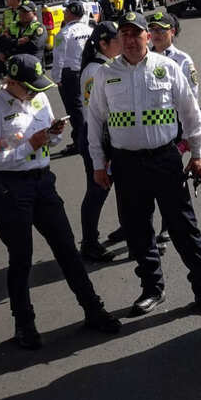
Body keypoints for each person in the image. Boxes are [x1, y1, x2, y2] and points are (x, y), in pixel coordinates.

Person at [86, 11, 201, 318]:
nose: (130, 40)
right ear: (119, 39)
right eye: (124, 35)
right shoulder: (106, 73)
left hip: (165, 159)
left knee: (184, 228)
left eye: (136, 34)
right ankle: (152, 288)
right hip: (126, 165)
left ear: (147, 37)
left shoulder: (167, 68)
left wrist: (198, 154)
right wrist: (99, 164)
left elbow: (191, 115)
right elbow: (95, 122)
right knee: (138, 230)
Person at [0, 53, 122, 349]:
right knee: (21, 259)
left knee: (68, 249)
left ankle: (93, 309)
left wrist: (54, 134)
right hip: (10, 190)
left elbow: (50, 140)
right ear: (11, 82)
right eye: (29, 87)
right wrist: (31, 145)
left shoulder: (40, 99)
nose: (34, 92)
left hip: (43, 182)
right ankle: (24, 323)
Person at [147, 10, 196, 248]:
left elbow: (191, 102)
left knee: (172, 181)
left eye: (161, 30)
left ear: (172, 32)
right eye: (153, 30)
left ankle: (169, 226)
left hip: (173, 130)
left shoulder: (183, 60)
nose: (156, 34)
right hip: (148, 131)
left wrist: (187, 139)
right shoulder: (141, 58)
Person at [78, 21, 123, 261]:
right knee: (98, 189)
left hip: (112, 137)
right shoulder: (94, 71)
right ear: (104, 44)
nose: (123, 43)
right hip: (100, 139)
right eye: (118, 40)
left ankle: (127, 228)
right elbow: (95, 113)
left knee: (119, 188)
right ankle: (89, 242)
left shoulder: (108, 65)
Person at [51, 1, 92, 156]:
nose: (64, 14)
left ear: (70, 13)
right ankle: (84, 139)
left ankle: (80, 143)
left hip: (70, 75)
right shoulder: (89, 30)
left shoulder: (64, 33)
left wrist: (56, 77)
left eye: (65, 11)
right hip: (87, 72)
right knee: (87, 107)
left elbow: (58, 57)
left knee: (75, 110)